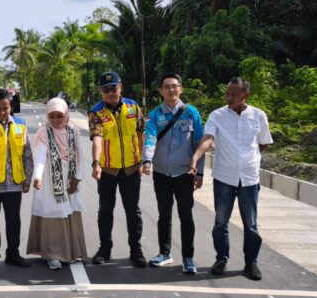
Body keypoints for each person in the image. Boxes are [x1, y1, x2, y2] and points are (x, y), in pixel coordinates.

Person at [189, 77, 273, 281]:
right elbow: (208, 139)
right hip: (224, 177)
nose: (229, 97)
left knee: (251, 223)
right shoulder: (217, 115)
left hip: (249, 178)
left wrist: (249, 159)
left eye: (234, 94)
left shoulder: (258, 115)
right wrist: (195, 158)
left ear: (246, 94)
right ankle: (221, 259)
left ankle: (251, 262)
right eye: (227, 93)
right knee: (220, 221)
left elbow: (263, 143)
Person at [142, 73, 205, 273]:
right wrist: (147, 160)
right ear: (161, 91)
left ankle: (188, 258)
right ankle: (164, 253)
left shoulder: (191, 113)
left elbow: (199, 143)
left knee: (186, 216)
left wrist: (200, 173)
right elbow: (150, 137)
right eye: (167, 86)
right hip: (161, 173)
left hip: (184, 173)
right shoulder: (155, 114)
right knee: (164, 215)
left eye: (175, 86)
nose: (172, 90)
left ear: (181, 89)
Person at [88, 71, 147, 266]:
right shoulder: (96, 112)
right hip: (107, 170)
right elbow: (97, 138)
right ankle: (105, 249)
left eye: (113, 88)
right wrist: (96, 163)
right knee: (105, 210)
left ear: (120, 87)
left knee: (133, 210)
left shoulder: (133, 107)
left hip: (131, 169)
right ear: (100, 91)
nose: (110, 93)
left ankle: (136, 250)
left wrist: (141, 160)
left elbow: (141, 133)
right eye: (106, 90)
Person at [26, 97, 87, 269]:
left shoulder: (72, 130)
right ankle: (53, 254)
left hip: (70, 178)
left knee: (70, 212)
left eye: (59, 115)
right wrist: (37, 177)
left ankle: (71, 252)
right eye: (51, 116)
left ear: (65, 114)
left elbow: (80, 155)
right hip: (51, 180)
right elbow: (40, 156)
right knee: (54, 214)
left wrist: (78, 178)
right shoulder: (44, 132)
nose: (55, 119)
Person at [0, 89, 34, 273]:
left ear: (11, 107)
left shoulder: (21, 125)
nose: (2, 112)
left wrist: (28, 178)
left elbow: (27, 153)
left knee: (13, 221)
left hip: (15, 183)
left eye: (5, 108)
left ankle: (13, 254)